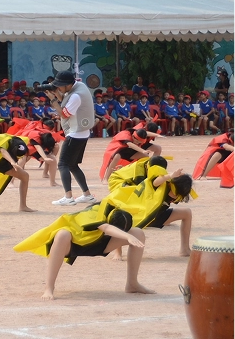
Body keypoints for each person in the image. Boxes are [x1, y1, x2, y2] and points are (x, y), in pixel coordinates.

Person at [14, 204, 153, 301]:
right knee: (62, 235)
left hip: (99, 242)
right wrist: (126, 236)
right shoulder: (94, 213)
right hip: (75, 244)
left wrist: (129, 234)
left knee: (138, 233)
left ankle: (132, 284)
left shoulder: (113, 208)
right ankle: (49, 287)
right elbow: (106, 227)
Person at [107, 157, 196, 257]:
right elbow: (156, 181)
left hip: (157, 216)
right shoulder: (161, 183)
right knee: (120, 215)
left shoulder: (178, 193)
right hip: (142, 214)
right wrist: (171, 175)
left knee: (186, 213)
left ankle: (185, 249)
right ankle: (117, 252)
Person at [47, 70, 97, 206]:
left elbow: (64, 114)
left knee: (63, 164)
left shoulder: (76, 96)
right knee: (73, 165)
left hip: (75, 134)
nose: (58, 88)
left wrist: (52, 100)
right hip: (83, 133)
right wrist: (56, 94)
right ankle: (87, 195)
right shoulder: (79, 87)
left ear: (68, 85)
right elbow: (65, 99)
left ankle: (68, 197)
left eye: (60, 86)